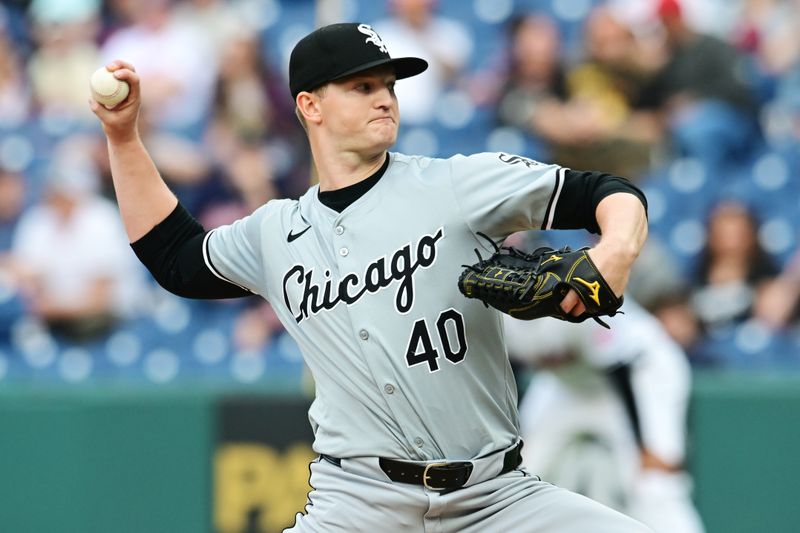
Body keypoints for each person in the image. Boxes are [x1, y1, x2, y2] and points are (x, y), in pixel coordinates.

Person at [91, 22, 650, 532]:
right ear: (309, 105)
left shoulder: (455, 185)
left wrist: (614, 253)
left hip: (495, 499)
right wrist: (123, 138)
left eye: (389, 85)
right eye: (361, 87)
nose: (384, 97)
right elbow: (174, 257)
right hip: (357, 505)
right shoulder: (274, 234)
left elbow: (607, 192)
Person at [505, 299, 706, 533]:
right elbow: (509, 373)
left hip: (640, 373)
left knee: (654, 483)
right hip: (567, 383)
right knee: (518, 468)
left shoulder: (573, 287)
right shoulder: (497, 301)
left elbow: (619, 365)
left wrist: (644, 446)